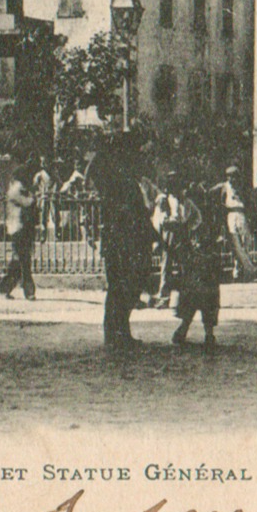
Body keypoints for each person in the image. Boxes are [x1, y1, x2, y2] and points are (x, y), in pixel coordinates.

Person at [87, 135, 154, 352]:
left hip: (124, 242)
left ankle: (119, 333)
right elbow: (128, 215)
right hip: (124, 243)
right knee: (122, 288)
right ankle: (116, 334)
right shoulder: (121, 184)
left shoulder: (124, 182)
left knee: (123, 288)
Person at [170, 191, 224, 349]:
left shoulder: (207, 221)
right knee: (194, 300)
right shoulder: (193, 221)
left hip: (205, 268)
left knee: (205, 301)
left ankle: (205, 333)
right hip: (198, 268)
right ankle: (186, 330)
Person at [0, 150, 41, 301]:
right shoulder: (17, 190)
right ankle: (29, 290)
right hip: (18, 228)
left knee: (20, 259)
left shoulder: (21, 189)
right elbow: (27, 202)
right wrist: (33, 198)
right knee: (24, 260)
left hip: (23, 227)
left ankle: (5, 287)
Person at [216, 165, 257, 281]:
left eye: (235, 177)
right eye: (230, 177)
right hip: (231, 215)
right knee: (235, 243)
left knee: (245, 242)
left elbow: (248, 202)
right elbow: (220, 201)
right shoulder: (224, 187)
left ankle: (240, 271)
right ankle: (249, 268)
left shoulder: (242, 188)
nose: (233, 179)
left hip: (241, 215)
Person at [152, 173, 189, 308]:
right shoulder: (163, 200)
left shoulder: (184, 199)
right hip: (169, 233)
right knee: (166, 265)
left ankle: (184, 297)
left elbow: (195, 216)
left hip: (181, 232)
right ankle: (163, 296)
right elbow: (157, 218)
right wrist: (157, 238)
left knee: (183, 265)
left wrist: (189, 226)